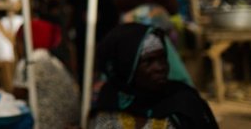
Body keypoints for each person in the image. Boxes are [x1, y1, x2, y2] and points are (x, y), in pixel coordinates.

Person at [90, 23, 218, 129]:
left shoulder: (184, 103)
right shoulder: (108, 105)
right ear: (126, 68)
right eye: (149, 61)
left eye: (163, 58)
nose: (160, 67)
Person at [12, 18, 81, 129]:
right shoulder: (54, 61)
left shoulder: (30, 63)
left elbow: (17, 97)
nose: (15, 46)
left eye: (18, 41)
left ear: (27, 41)